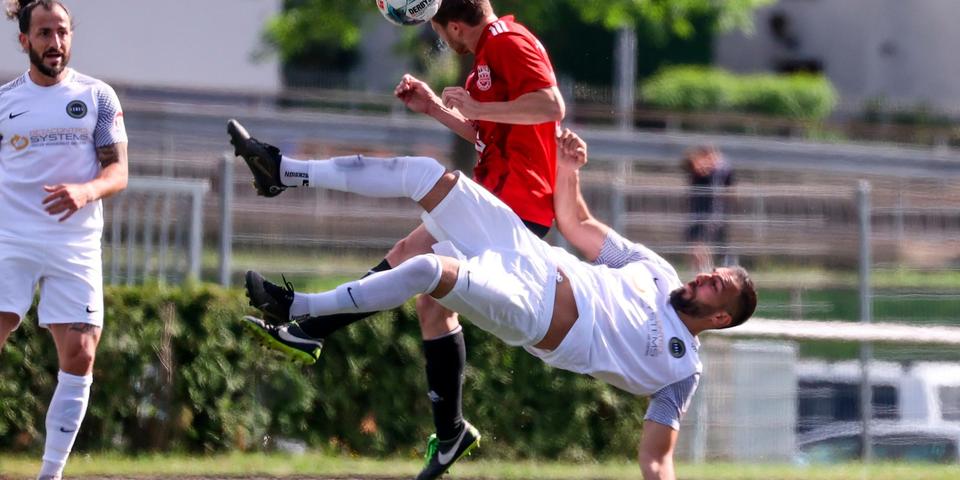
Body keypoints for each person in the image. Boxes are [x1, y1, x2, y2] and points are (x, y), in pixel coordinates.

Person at [229, 123, 757, 480]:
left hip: (535, 312)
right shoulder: (658, 270)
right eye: (713, 272)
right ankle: (283, 171)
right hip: (532, 255)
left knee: (430, 271)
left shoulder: (681, 370)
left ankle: (301, 310)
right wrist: (570, 169)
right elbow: (577, 224)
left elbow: (656, 463)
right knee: (425, 173)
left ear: (720, 317)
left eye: (718, 286)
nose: (706, 276)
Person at [238, 0, 564, 476]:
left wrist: (477, 105)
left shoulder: (509, 42)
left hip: (516, 209)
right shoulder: (486, 61)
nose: (441, 39)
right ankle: (450, 433)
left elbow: (551, 105)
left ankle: (285, 177)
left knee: (423, 185)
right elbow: (488, 131)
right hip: (497, 202)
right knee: (426, 294)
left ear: (453, 25)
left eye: (437, 30)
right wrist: (436, 108)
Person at [0, 1, 129, 479]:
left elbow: (118, 171)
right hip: (9, 238)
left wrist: (86, 189)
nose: (55, 43)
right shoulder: (5, 101)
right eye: (44, 34)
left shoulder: (97, 97)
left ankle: (50, 474)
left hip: (74, 245)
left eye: (62, 32)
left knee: (81, 354)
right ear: (24, 42)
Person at [682, 146, 735, 272]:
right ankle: (702, 271)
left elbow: (726, 174)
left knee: (701, 245)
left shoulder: (717, 172)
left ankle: (706, 271)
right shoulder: (697, 171)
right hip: (697, 213)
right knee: (697, 246)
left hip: (709, 215)